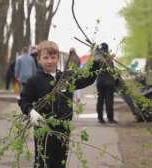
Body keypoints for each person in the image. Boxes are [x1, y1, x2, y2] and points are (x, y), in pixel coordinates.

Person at [18, 40, 100, 168]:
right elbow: (24, 100)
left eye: (53, 57)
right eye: (46, 57)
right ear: (39, 59)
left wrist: (95, 63)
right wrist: (31, 112)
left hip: (64, 127)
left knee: (60, 162)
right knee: (42, 162)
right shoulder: (34, 80)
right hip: (43, 127)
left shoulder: (66, 77)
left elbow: (87, 79)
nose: (50, 61)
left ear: (58, 58)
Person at [95, 43, 118, 124]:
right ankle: (110, 118)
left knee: (100, 100)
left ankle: (100, 118)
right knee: (109, 101)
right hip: (109, 83)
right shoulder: (108, 58)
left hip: (100, 82)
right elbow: (112, 70)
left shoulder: (97, 56)